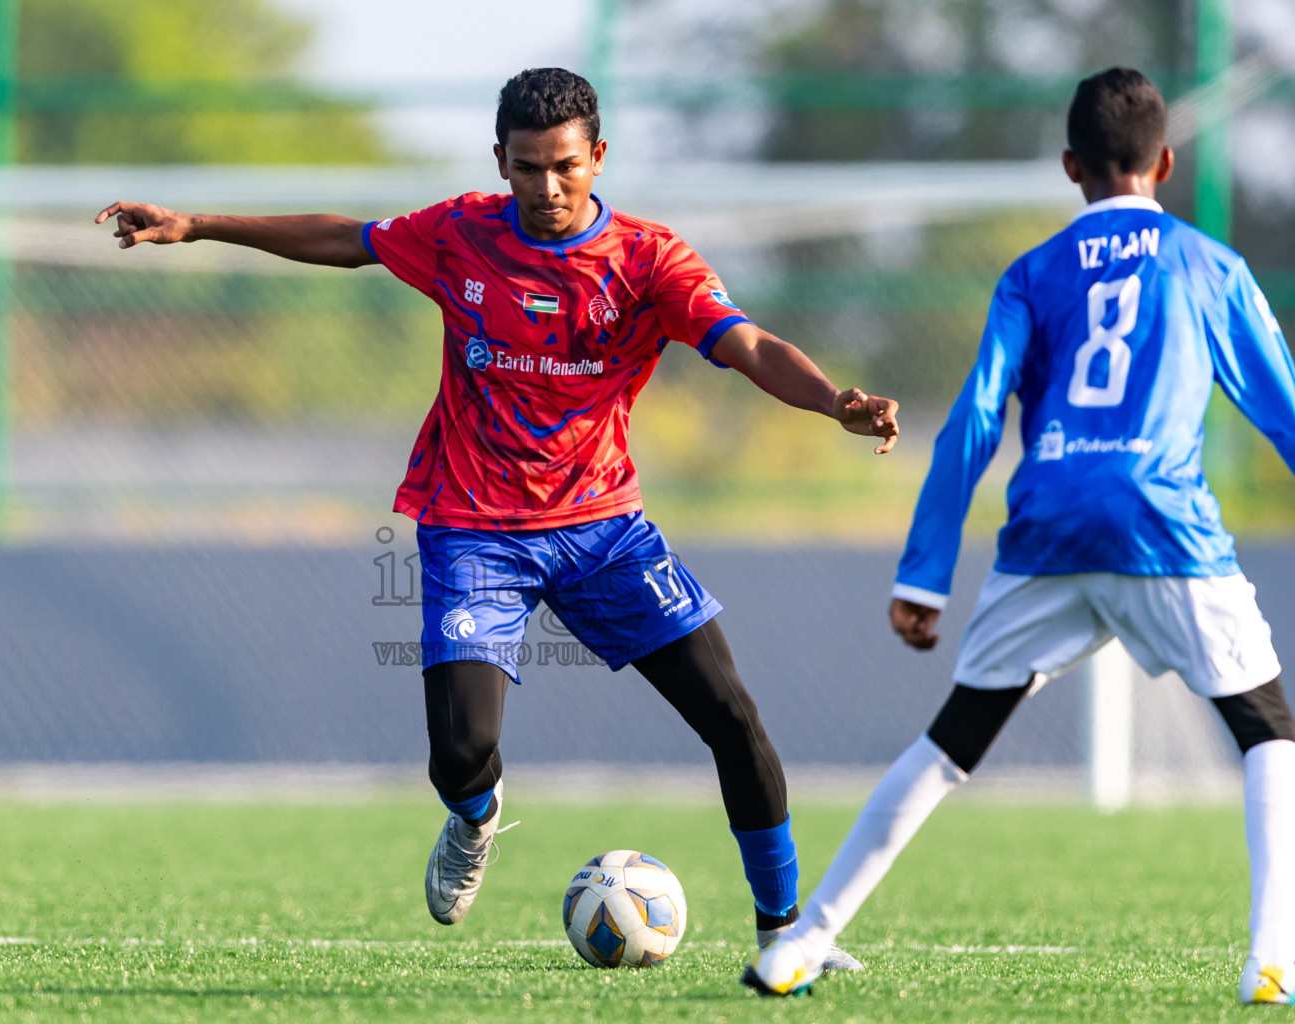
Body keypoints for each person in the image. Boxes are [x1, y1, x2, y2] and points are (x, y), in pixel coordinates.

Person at [96, 67, 897, 966]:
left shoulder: (649, 262)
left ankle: (787, 933)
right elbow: (348, 240)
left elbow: (745, 343)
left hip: (603, 531)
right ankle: (475, 818)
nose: (547, 188)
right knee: (462, 752)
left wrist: (832, 401)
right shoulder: (461, 233)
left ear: (598, 156)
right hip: (472, 526)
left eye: (564, 166)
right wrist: (200, 225)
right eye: (526, 167)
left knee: (733, 717)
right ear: (500, 161)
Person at [746, 67, 1295, 1004]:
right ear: (1166, 162)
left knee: (950, 742)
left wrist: (923, 575)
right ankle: (1273, 962)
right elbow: (1282, 409)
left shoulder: (1032, 274)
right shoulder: (1210, 266)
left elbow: (971, 426)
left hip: (1046, 531)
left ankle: (801, 943)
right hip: (1166, 529)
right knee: (1269, 731)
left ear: (1070, 165)